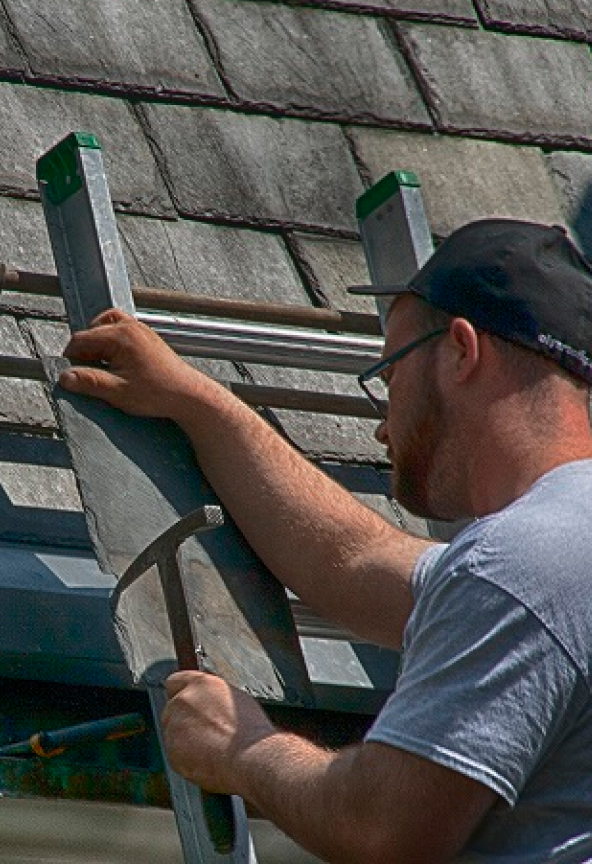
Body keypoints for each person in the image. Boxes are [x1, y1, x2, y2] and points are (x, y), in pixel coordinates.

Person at [59, 219, 592, 863]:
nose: (381, 429)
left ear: (460, 351)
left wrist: (243, 748)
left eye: (391, 373)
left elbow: (383, 830)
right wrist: (199, 404)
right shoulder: (560, 553)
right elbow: (355, 560)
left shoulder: (521, 565)